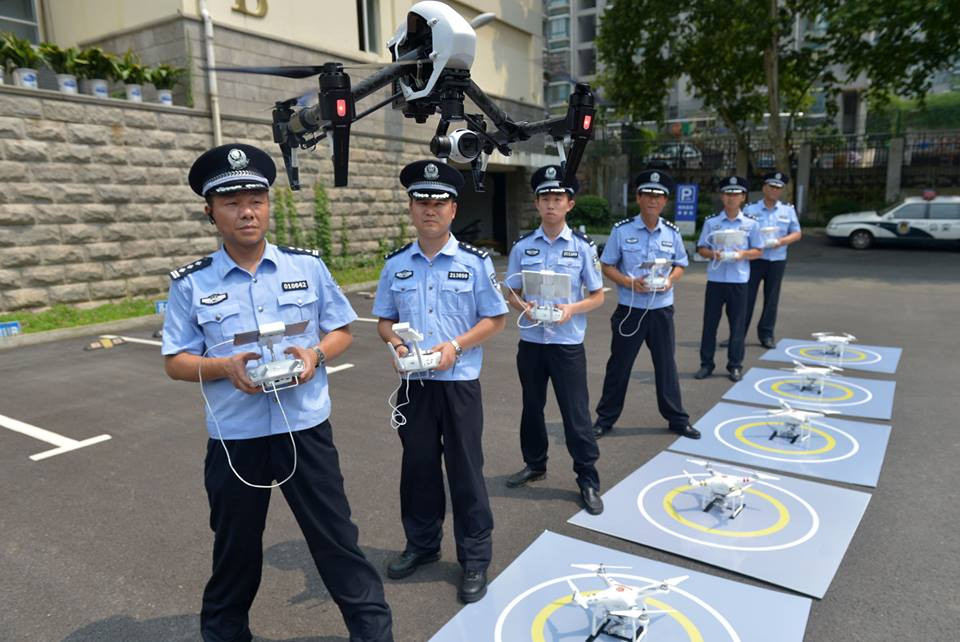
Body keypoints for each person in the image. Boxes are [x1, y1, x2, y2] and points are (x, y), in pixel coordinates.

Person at [162, 143, 393, 642]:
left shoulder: (305, 267)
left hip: (304, 429)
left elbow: (341, 330)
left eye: (257, 200)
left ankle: (373, 633)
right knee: (235, 550)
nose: (247, 211)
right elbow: (175, 362)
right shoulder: (191, 284)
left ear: (268, 206)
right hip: (236, 437)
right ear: (210, 212)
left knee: (336, 539)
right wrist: (223, 366)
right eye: (231, 202)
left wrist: (316, 355)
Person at [373, 160, 508, 604]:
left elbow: (495, 319)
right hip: (415, 385)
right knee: (418, 468)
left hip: (458, 382)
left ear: (453, 209)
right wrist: (396, 344)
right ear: (411, 208)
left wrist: (456, 346)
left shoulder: (474, 263)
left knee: (466, 471)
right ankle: (422, 544)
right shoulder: (396, 264)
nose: (430, 209)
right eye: (422, 202)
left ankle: (475, 558)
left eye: (439, 202)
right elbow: (385, 320)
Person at [502, 165, 605, 514]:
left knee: (575, 414)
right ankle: (535, 464)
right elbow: (510, 291)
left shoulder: (583, 247)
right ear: (536, 203)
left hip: (566, 344)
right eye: (544, 198)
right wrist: (524, 307)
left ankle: (587, 478)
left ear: (569, 204)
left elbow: (598, 296)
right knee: (532, 407)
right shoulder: (522, 247)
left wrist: (572, 309)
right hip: (532, 342)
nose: (550, 204)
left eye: (557, 198)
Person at [593, 170, 700, 441]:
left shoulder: (671, 233)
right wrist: (628, 282)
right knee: (619, 366)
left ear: (665, 201)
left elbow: (680, 264)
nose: (653, 200)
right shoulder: (622, 230)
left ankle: (677, 419)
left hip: (661, 309)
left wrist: (670, 281)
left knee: (666, 366)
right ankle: (605, 419)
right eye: (648, 194)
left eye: (658, 196)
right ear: (638, 197)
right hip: (631, 309)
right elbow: (607, 265)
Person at [695, 176, 763, 382]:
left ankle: (735, 365)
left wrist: (742, 254)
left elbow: (758, 251)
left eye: (736, 194)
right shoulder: (712, 222)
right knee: (709, 325)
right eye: (727, 194)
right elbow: (701, 248)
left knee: (737, 326)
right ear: (722, 197)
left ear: (743, 197)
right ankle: (706, 364)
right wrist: (713, 254)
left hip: (739, 281)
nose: (731, 198)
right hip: (716, 280)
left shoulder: (751, 224)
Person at [742, 171, 802, 348]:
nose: (774, 190)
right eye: (771, 186)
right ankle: (738, 334)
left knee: (772, 299)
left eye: (778, 188)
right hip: (755, 259)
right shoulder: (750, 209)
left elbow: (797, 233)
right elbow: (742, 232)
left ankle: (766, 335)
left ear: (782, 190)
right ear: (764, 188)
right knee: (746, 298)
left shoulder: (788, 210)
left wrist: (781, 241)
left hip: (777, 259)